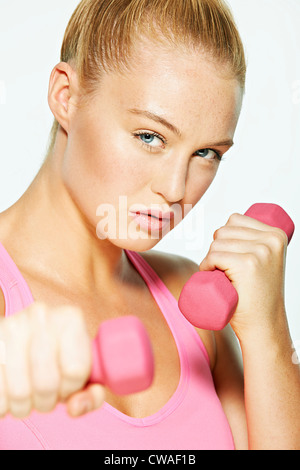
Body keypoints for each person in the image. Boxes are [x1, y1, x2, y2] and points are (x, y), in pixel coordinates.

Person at [0, 0, 299, 451]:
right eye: (150, 136)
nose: (176, 189)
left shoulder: (190, 301)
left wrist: (268, 331)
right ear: (67, 96)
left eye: (207, 153)